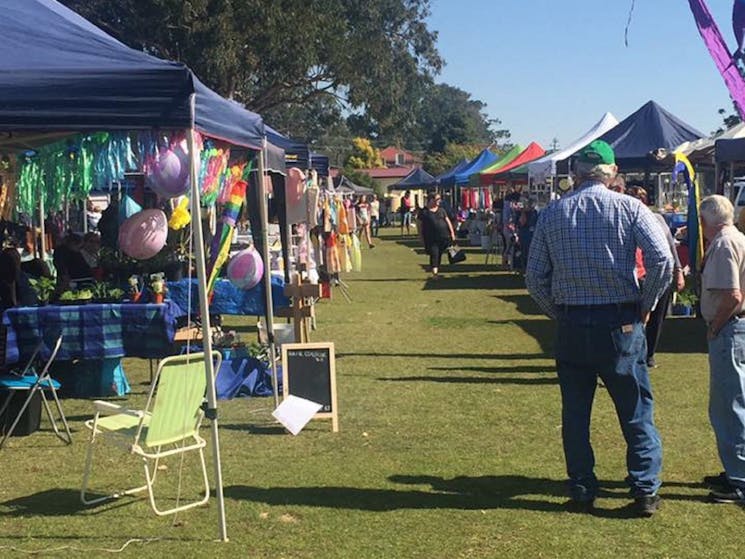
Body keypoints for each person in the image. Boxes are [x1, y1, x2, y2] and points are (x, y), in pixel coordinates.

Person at [525, 140, 673, 517]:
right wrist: (646, 304)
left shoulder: (553, 213)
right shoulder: (630, 208)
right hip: (619, 320)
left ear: (575, 173)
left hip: (573, 321)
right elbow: (662, 262)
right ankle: (644, 489)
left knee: (575, 412)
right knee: (635, 408)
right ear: (611, 174)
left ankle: (582, 485)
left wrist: (557, 313)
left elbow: (534, 278)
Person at [698, 195, 745, 503]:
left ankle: (740, 478)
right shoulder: (737, 237)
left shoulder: (725, 243)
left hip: (729, 327)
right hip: (734, 327)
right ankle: (735, 470)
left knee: (730, 404)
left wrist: (715, 326)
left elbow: (732, 295)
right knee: (730, 402)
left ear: (706, 221)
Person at [625, 185, 686, 367]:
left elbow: (670, 247)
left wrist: (678, 271)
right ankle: (631, 355)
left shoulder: (658, 219)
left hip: (658, 273)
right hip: (636, 275)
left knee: (657, 316)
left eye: (641, 199)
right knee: (633, 319)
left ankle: (649, 354)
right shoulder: (623, 218)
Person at [418, 192, 455, 279]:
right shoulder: (424, 212)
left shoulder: (442, 210)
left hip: (444, 237)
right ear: (431, 200)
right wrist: (420, 236)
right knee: (434, 254)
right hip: (431, 238)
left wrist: (452, 233)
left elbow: (448, 222)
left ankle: (436, 270)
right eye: (437, 199)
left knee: (440, 254)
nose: (439, 201)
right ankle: (435, 274)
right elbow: (419, 225)